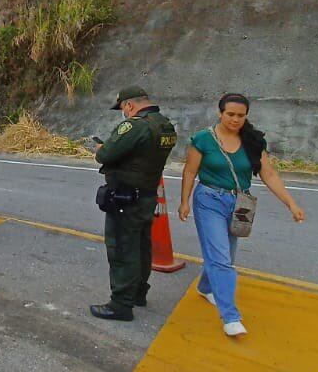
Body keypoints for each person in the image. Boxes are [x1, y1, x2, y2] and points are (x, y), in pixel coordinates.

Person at [178, 93, 306, 337]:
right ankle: (231, 317)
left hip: (240, 203)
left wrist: (291, 203)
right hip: (209, 199)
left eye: (241, 115)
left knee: (226, 253)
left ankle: (206, 287)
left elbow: (269, 174)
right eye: (230, 114)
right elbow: (190, 171)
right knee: (220, 257)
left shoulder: (252, 141)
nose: (235, 120)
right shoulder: (204, 139)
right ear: (220, 113)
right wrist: (184, 201)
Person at [89, 86, 177, 322]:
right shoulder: (165, 125)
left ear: (129, 105)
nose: (124, 113)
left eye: (123, 108)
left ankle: (120, 304)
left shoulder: (134, 126)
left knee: (122, 249)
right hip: (146, 195)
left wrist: (101, 148)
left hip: (125, 198)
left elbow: (105, 155)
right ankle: (138, 292)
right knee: (140, 247)